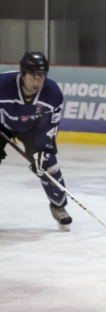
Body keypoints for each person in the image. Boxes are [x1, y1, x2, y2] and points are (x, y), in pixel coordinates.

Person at [0, 52, 71, 230]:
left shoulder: (52, 92)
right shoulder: (3, 83)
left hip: (32, 128)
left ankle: (58, 206)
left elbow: (50, 125)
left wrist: (43, 151)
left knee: (48, 165)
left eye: (41, 77)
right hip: (2, 124)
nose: (37, 82)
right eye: (33, 77)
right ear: (23, 73)